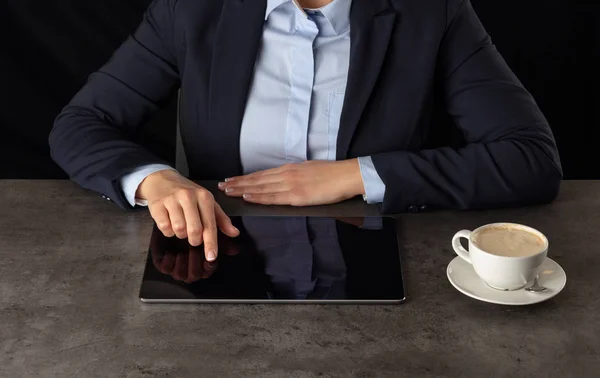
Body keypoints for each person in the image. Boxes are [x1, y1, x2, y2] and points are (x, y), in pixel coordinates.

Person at [49, 0, 563, 262]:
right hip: (216, 260)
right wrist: (153, 179)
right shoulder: (190, 8)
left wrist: (357, 175)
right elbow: (80, 124)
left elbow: (531, 160)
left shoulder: (434, 12)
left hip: (383, 268)